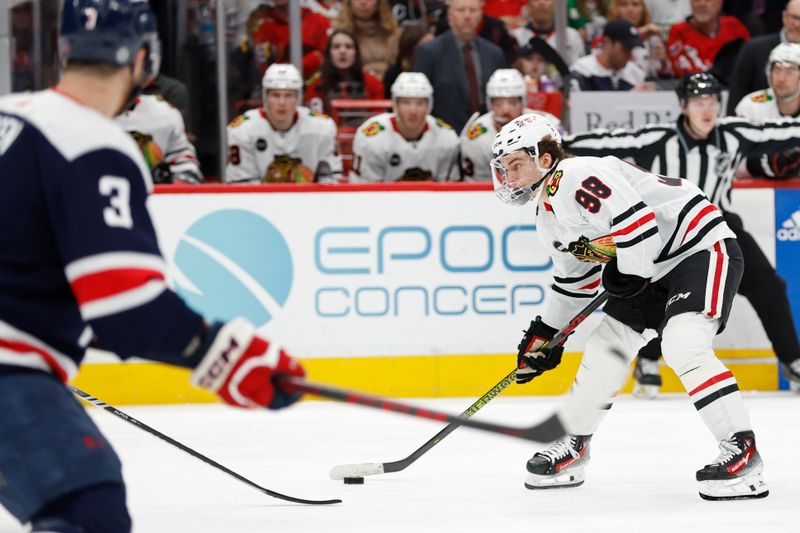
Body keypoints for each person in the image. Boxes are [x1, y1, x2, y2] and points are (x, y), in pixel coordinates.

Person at [0, 1, 306, 531]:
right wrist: (227, 355)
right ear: (143, 58)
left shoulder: (9, 113)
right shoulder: (93, 143)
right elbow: (126, 308)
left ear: (64, 49)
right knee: (85, 506)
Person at [490, 113, 767, 500]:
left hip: (697, 249)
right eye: (504, 169)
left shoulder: (576, 173)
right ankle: (575, 446)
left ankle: (743, 450)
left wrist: (631, 272)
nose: (509, 176)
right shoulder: (548, 216)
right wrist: (547, 334)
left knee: (684, 344)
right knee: (606, 349)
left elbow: (636, 224)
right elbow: (574, 284)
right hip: (650, 269)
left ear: (545, 159)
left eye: (516, 164)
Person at [564, 72, 800, 397]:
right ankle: (648, 360)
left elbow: (781, 131)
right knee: (664, 294)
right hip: (671, 229)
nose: (707, 110)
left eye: (712, 103)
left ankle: (793, 359)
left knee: (769, 286)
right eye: (699, 103)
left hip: (719, 223)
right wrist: (554, 143)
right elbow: (607, 142)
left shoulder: (732, 133)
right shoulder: (659, 139)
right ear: (683, 106)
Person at [226, 63, 343, 183]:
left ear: (298, 98)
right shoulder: (243, 130)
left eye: (288, 95)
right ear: (265, 97)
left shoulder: (323, 128)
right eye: (275, 95)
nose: (282, 102)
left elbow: (331, 182)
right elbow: (241, 187)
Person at [413, 0, 506, 132]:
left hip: (487, 136)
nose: (467, 16)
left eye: (473, 10)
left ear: (481, 15)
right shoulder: (429, 52)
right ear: (450, 15)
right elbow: (419, 97)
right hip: (443, 135)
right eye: (461, 10)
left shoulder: (494, 53)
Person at [350, 72, 459, 181]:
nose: (413, 111)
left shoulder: (446, 137)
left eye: (419, 103)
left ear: (429, 105)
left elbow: (448, 190)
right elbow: (365, 192)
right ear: (395, 104)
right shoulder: (372, 138)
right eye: (406, 103)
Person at [460, 68, 561, 181]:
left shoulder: (547, 126)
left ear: (523, 102)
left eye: (512, 103)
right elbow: (475, 186)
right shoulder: (476, 137)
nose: (505, 110)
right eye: (498, 103)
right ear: (490, 104)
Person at [736, 42, 800, 183]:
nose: (781, 78)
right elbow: (731, 158)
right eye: (777, 70)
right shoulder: (751, 104)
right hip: (755, 192)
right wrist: (761, 165)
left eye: (790, 71)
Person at [727, 0, 800, 115]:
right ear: (784, 16)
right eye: (794, 17)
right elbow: (736, 97)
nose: (798, 24)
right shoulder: (753, 49)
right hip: (758, 125)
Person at [115, 94, 203, 184]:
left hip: (152, 194)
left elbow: (183, 162)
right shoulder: (100, 119)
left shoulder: (163, 112)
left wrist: (175, 179)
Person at [305, 29, 385, 116]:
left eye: (348, 47)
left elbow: (378, 119)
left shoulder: (373, 83)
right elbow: (315, 119)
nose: (342, 51)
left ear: (356, 53)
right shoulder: (316, 84)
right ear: (328, 53)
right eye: (336, 47)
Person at [666, 0, 750, 77]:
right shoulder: (678, 31)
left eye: (708, 0)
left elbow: (749, 62)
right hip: (696, 90)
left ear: (720, 3)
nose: (702, 4)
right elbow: (682, 72)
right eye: (696, 0)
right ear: (690, 3)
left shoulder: (733, 25)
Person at [570, 19, 654, 91]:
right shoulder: (583, 70)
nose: (629, 55)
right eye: (625, 49)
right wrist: (629, 98)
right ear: (607, 42)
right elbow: (578, 106)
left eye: (631, 49)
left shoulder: (636, 74)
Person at [333, 0, 401, 78]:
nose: (363, 2)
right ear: (349, 2)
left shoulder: (393, 32)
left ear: (379, 2)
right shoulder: (338, 33)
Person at [607, 0, 672, 79]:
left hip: (647, 87)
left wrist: (663, 62)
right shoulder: (607, 34)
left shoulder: (652, 37)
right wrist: (638, 34)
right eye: (624, 5)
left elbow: (664, 74)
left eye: (635, 5)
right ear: (615, 9)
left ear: (643, 10)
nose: (630, 10)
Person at [511, 0, 586, 65]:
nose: (542, 2)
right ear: (528, 6)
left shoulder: (571, 36)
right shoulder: (516, 36)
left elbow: (577, 71)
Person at [383, 22, 434, 98]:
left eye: (434, 45)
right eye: (426, 47)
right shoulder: (394, 73)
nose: (432, 50)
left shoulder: (440, 71)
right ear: (410, 49)